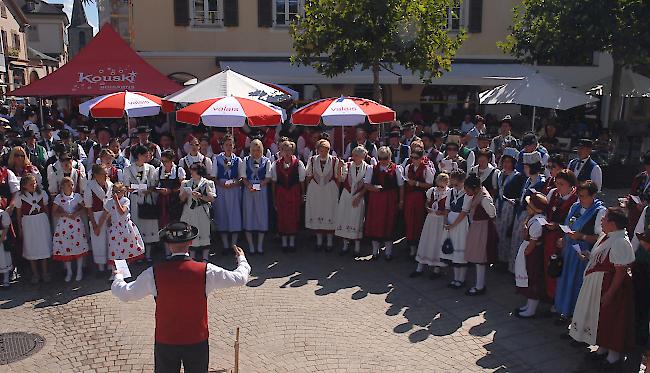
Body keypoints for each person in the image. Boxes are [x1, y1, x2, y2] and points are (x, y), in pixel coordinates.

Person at [111, 222, 251, 373]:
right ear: (190, 242)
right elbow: (240, 278)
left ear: (168, 245)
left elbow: (126, 294)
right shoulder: (206, 270)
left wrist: (118, 278)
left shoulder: (153, 273)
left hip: (166, 339)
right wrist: (242, 259)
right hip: (196, 339)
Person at [570, 207, 635, 368]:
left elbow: (620, 272)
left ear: (612, 223)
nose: (601, 220)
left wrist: (610, 294)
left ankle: (613, 356)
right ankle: (602, 348)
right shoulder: (608, 236)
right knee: (601, 318)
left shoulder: (620, 242)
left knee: (613, 320)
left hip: (612, 288)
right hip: (599, 286)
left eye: (604, 218)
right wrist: (588, 256)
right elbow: (602, 258)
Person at [554, 180, 606, 323]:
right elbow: (567, 225)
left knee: (577, 285)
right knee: (565, 282)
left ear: (593, 195)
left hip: (583, 256)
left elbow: (600, 238)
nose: (580, 199)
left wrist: (581, 236)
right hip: (569, 252)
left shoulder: (599, 212)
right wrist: (563, 239)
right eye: (579, 195)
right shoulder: (575, 206)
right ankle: (564, 312)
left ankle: (576, 319)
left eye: (583, 196)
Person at [543, 169, 578, 302]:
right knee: (547, 266)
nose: (558, 186)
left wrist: (558, 226)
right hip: (549, 238)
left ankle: (557, 298)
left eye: (562, 184)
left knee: (558, 268)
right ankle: (548, 294)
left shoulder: (575, 200)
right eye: (557, 183)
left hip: (563, 240)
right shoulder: (553, 194)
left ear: (570, 185)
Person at [364, 146, 404, 260]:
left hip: (390, 200)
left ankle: (388, 253)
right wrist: (374, 188)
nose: (383, 161)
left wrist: (401, 201)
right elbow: (366, 184)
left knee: (389, 224)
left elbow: (401, 186)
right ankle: (374, 252)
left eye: (385, 158)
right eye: (380, 158)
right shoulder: (372, 168)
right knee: (375, 225)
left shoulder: (397, 169)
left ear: (390, 157)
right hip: (376, 201)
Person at [509, 152, 546, 273]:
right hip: (521, 213)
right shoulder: (528, 180)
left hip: (530, 216)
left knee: (523, 242)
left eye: (526, 166)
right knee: (516, 241)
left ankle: (521, 271)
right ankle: (513, 269)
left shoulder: (541, 182)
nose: (524, 169)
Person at [513, 192, 548, 318]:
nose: (527, 208)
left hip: (533, 254)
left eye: (529, 206)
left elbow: (533, 242)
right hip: (529, 250)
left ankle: (531, 309)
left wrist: (526, 253)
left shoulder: (538, 223)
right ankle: (528, 305)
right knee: (528, 277)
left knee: (532, 278)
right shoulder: (533, 219)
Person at [122, 145, 159, 263]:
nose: (148, 156)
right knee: (137, 227)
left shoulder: (151, 168)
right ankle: (138, 255)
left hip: (147, 199)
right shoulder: (128, 169)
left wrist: (148, 189)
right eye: (146, 154)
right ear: (139, 155)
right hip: (135, 201)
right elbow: (126, 186)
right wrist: (137, 188)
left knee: (148, 226)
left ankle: (148, 254)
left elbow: (154, 184)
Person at [463, 174, 498, 296]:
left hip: (483, 228)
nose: (466, 191)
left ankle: (480, 286)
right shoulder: (478, 195)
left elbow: (492, 213)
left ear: (475, 188)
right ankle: (479, 284)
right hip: (478, 227)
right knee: (478, 258)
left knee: (480, 258)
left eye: (467, 189)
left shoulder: (484, 198)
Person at [103, 182, 145, 279]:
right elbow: (107, 213)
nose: (115, 194)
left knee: (125, 249)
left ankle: (124, 271)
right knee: (114, 250)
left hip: (125, 228)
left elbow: (122, 212)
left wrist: (117, 201)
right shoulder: (109, 202)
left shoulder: (125, 200)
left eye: (118, 192)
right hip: (114, 228)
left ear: (123, 192)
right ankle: (115, 272)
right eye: (114, 192)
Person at [411, 172, 450, 278]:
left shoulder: (449, 193)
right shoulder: (432, 190)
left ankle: (436, 269)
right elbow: (427, 202)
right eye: (439, 184)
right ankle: (420, 267)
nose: (440, 187)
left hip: (440, 221)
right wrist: (427, 208)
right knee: (426, 240)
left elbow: (448, 209)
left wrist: (442, 212)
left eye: (442, 185)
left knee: (438, 241)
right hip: (431, 219)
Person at [14, 174, 51, 284]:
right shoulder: (20, 196)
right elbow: (19, 213)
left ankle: (45, 272)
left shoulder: (42, 194)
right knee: (31, 246)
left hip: (41, 221)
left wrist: (48, 222)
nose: (33, 185)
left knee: (43, 246)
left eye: (34, 183)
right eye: (31, 184)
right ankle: (35, 274)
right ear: (24, 186)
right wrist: (20, 227)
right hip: (28, 223)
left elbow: (46, 209)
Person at [51, 177, 89, 282]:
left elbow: (85, 208)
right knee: (66, 248)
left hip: (76, 225)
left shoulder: (77, 197)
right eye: (68, 185)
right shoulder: (58, 198)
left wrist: (76, 213)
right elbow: (54, 213)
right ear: (62, 186)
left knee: (78, 246)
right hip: (64, 226)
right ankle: (69, 271)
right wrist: (65, 214)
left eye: (72, 185)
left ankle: (79, 271)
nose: (71, 187)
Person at [305, 139, 340, 251]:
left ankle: (329, 241)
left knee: (329, 212)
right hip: (315, 190)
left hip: (330, 191)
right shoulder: (312, 160)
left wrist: (340, 168)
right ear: (317, 149)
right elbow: (308, 175)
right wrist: (307, 190)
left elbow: (339, 178)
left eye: (326, 150)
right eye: (321, 149)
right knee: (317, 212)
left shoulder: (335, 160)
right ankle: (319, 240)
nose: (323, 152)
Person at [334, 146, 369, 256]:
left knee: (357, 219)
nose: (354, 157)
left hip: (359, 196)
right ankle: (345, 245)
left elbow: (367, 185)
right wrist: (339, 169)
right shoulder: (347, 165)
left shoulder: (368, 168)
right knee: (345, 218)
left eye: (357, 155)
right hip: (346, 195)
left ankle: (357, 247)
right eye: (353, 154)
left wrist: (359, 196)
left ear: (363, 156)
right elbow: (340, 179)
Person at [271, 139, 305, 253]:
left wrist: (302, 194)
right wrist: (274, 196)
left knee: (293, 215)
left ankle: (292, 242)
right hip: (281, 192)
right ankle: (284, 242)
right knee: (283, 216)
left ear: (293, 151)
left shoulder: (298, 163)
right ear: (280, 151)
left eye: (289, 150)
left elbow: (301, 181)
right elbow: (274, 182)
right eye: (284, 150)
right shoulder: (276, 164)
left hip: (294, 192)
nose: (287, 152)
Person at [240, 139, 271, 255]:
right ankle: (251, 246)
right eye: (253, 150)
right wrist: (249, 186)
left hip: (261, 190)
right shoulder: (245, 160)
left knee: (261, 215)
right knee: (249, 215)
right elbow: (243, 177)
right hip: (248, 190)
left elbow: (268, 177)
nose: (256, 152)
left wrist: (258, 186)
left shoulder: (266, 161)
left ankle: (260, 245)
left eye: (258, 150)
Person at [495, 148, 525, 268]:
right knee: (498, 232)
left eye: (509, 161)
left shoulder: (518, 177)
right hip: (499, 205)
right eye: (505, 161)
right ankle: (497, 257)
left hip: (509, 207)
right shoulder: (500, 174)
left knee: (506, 233)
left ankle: (504, 261)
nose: (506, 164)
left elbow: (518, 195)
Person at [179, 163, 216, 262]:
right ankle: (192, 257)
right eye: (191, 169)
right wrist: (186, 193)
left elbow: (212, 199)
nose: (191, 171)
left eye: (194, 169)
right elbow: (181, 199)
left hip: (202, 211)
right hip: (189, 211)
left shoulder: (207, 183)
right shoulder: (185, 183)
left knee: (204, 232)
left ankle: (205, 257)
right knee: (190, 232)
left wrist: (200, 196)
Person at [441, 170, 471, 288]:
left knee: (460, 249)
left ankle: (461, 279)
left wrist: (453, 225)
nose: (454, 186)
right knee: (452, 249)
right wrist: (445, 220)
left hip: (461, 223)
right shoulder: (451, 192)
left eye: (456, 183)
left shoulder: (467, 194)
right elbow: (447, 207)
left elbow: (464, 212)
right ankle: (455, 278)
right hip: (451, 221)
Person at [212, 135, 242, 254]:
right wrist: (221, 184)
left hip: (234, 190)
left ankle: (233, 244)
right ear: (222, 146)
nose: (229, 147)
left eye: (231, 145)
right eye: (226, 145)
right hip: (221, 189)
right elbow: (213, 177)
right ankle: (225, 245)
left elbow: (241, 177)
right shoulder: (216, 159)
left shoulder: (238, 160)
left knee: (234, 214)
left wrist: (235, 183)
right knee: (222, 213)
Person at [403, 148, 435, 257]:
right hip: (409, 198)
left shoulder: (426, 169)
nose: (414, 160)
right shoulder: (408, 167)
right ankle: (411, 247)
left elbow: (430, 184)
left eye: (416, 158)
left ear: (421, 158)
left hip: (420, 198)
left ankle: (419, 248)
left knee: (418, 221)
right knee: (409, 221)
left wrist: (416, 183)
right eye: (412, 157)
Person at [85, 164, 113, 275]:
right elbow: (89, 208)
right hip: (96, 216)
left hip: (110, 215)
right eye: (103, 173)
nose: (106, 175)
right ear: (96, 175)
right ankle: (101, 268)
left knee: (110, 240)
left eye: (106, 173)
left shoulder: (110, 185)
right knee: (99, 241)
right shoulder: (89, 187)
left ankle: (111, 266)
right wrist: (94, 224)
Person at [629, 206, 650, 350]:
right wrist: (630, 257)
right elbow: (638, 233)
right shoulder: (648, 210)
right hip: (642, 264)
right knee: (639, 301)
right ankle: (638, 336)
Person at [626, 151, 650, 232]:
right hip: (635, 215)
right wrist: (628, 201)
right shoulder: (639, 177)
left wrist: (647, 205)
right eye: (647, 165)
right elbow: (633, 194)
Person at [0, 204, 12, 288]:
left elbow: (6, 228)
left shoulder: (2, 213)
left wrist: (1, 240)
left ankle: (6, 280)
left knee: (4, 260)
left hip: (1, 240)